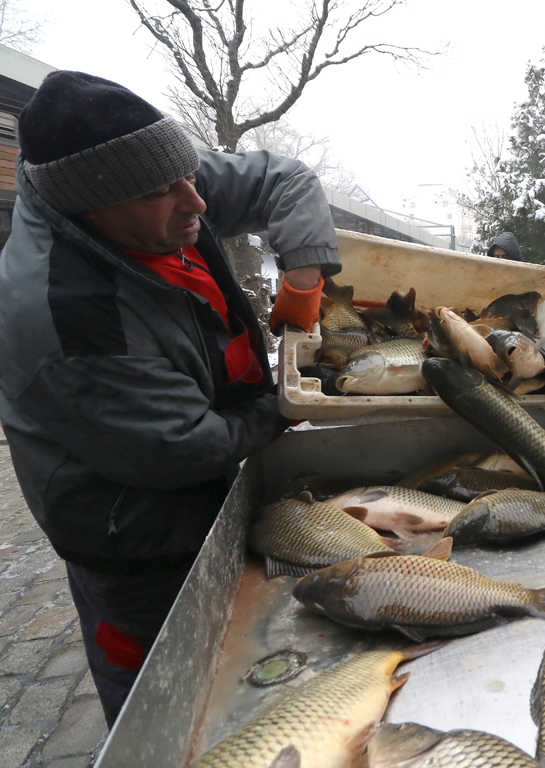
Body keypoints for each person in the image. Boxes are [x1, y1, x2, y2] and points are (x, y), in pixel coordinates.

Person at [0, 71, 340, 726]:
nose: (197, 201)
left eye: (188, 176)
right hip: (139, 543)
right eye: (165, 191)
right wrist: (294, 399)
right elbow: (181, 448)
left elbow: (284, 179)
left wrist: (301, 271)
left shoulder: (150, 178)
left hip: (219, 475)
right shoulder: (65, 316)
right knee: (172, 705)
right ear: (88, 207)